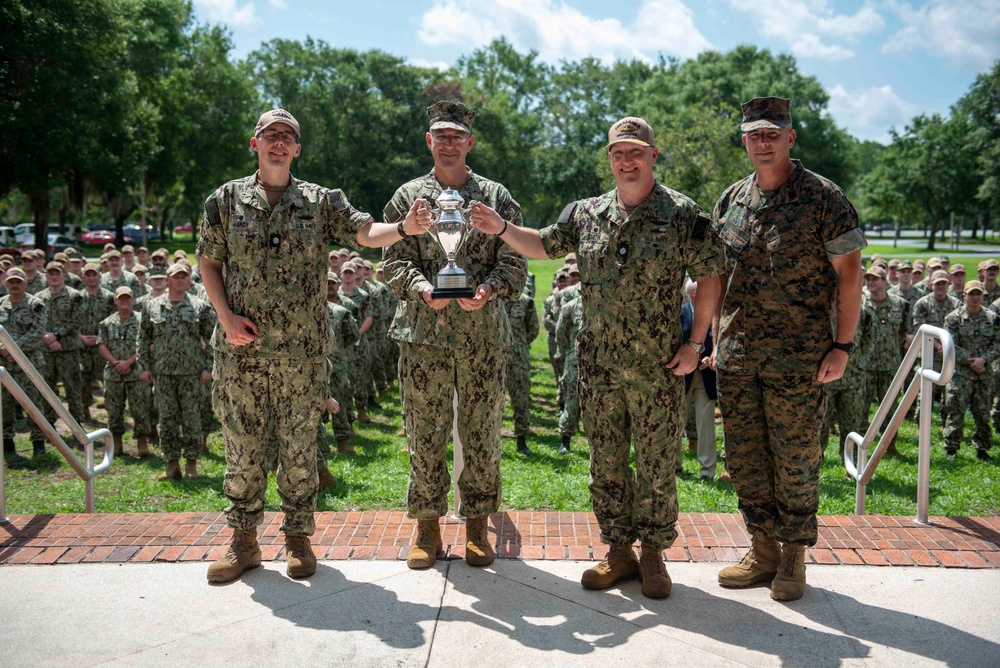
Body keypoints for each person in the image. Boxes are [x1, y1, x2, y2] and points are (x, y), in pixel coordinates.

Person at [471, 115, 723, 599]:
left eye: (636, 152)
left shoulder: (684, 214)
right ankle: (618, 552)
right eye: (617, 153)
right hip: (600, 367)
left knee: (655, 463)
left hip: (659, 366)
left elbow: (711, 276)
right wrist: (501, 227)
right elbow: (542, 245)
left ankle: (653, 555)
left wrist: (696, 345)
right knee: (605, 463)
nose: (626, 161)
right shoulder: (585, 213)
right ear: (609, 159)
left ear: (653, 155)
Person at [197, 108, 404, 585]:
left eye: (287, 137)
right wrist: (226, 318)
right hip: (241, 352)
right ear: (255, 144)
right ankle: (244, 543)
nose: (278, 142)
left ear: (296, 149)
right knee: (242, 448)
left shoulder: (319, 200)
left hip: (301, 355)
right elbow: (209, 263)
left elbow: (365, 233)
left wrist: (404, 228)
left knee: (299, 449)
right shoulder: (225, 199)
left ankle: (297, 539)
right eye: (270, 135)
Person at [712, 97, 865, 602]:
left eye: (772, 133)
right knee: (747, 460)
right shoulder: (731, 200)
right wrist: (714, 342)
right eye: (755, 134)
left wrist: (841, 346)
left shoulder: (824, 198)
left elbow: (850, 277)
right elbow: (718, 280)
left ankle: (794, 554)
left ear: (790, 137)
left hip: (800, 362)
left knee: (795, 460)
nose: (763, 141)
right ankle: (763, 550)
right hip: (738, 360)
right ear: (744, 141)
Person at [381, 101, 527, 572]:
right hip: (424, 335)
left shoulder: (494, 196)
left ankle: (478, 526)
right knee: (424, 433)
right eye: (440, 135)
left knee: (481, 433)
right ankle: (426, 527)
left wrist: (490, 288)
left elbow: (517, 259)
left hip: (482, 335)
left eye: (456, 136)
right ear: (429, 141)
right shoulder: (409, 197)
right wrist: (421, 287)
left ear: (469, 142)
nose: (448, 143)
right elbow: (391, 259)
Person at [137, 263, 214, 480]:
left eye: (184, 276)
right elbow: (142, 339)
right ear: (167, 279)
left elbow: (213, 340)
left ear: (189, 280)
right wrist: (143, 367)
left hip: (191, 374)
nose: (180, 280)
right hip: (162, 374)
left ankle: (191, 464)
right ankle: (171, 463)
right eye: (176, 276)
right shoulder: (151, 306)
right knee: (167, 421)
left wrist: (209, 367)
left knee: (192, 420)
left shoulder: (200, 307)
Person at [943, 280, 999, 461]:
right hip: (961, 374)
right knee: (956, 411)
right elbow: (951, 344)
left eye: (978, 294)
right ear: (964, 296)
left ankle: (982, 449)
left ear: (982, 296)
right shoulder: (953, 318)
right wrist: (971, 361)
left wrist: (984, 360)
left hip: (984, 374)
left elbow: (998, 343)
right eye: (971, 294)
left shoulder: (993, 318)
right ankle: (951, 449)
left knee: (982, 413)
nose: (975, 298)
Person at [857, 265, 909, 458]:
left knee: (890, 409)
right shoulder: (860, 303)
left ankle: (890, 446)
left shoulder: (900, 305)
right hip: (865, 365)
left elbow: (902, 333)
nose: (870, 282)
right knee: (861, 408)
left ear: (885, 281)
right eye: (868, 279)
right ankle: (860, 449)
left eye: (875, 279)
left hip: (890, 366)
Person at [98, 286, 152, 457]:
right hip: (114, 373)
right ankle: (117, 444)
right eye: (121, 298)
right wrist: (115, 363)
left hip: (137, 372)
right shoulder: (106, 323)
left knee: (140, 408)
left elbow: (148, 345)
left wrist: (128, 362)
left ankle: (142, 442)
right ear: (115, 300)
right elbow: (101, 345)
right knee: (114, 409)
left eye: (127, 298)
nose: (124, 301)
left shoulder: (142, 320)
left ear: (133, 300)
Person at [0, 268, 47, 461]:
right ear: (5, 284)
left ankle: (38, 443)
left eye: (18, 281)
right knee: (4, 405)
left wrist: (12, 348)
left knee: (34, 404)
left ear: (25, 283)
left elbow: (37, 334)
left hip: (29, 365)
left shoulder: (36, 304)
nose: (15, 285)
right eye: (11, 282)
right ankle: (6, 441)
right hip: (4, 366)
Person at [37, 261, 87, 430]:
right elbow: (37, 322)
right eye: (51, 273)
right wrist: (48, 338)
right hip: (46, 350)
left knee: (72, 387)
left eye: (57, 273)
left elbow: (77, 320)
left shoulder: (75, 296)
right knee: (47, 387)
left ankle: (77, 425)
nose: (54, 276)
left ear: (64, 275)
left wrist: (56, 335)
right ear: (46, 276)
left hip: (68, 349)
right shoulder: (39, 298)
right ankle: (49, 424)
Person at [504, 280, 539, 455]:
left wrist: (520, 346)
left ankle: (521, 439)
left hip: (518, 359)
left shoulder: (526, 301)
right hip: (496, 359)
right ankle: (492, 439)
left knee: (521, 399)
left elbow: (533, 329)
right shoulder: (492, 301)